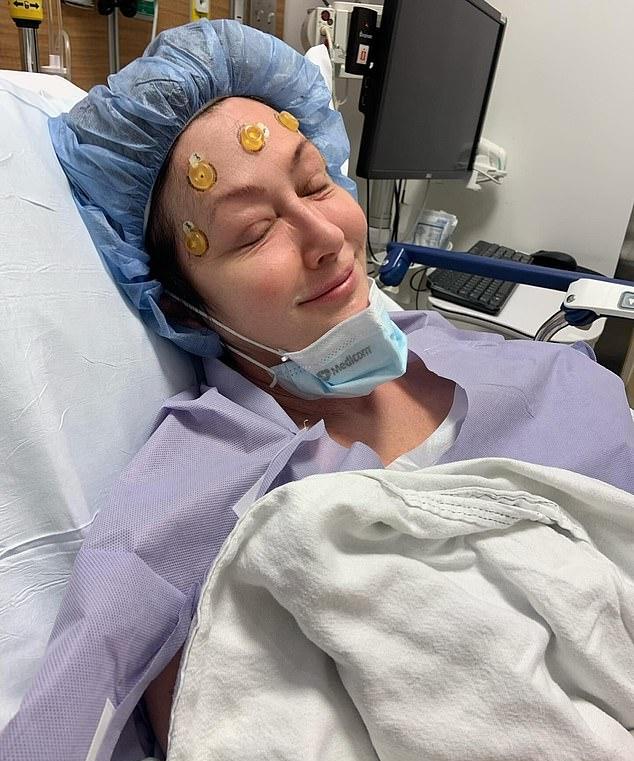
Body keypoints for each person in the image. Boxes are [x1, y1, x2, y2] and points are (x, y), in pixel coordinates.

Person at [1, 19, 633, 761]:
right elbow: (69, 719)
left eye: (315, 183)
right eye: (253, 231)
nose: (327, 236)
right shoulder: (183, 498)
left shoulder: (531, 371)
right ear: (182, 306)